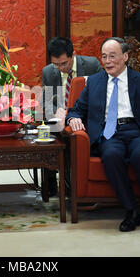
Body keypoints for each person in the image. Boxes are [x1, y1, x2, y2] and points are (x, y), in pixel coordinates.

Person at [66, 37, 140, 232]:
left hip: (137, 131)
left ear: (125, 57)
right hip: (109, 133)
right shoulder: (95, 82)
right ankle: (132, 211)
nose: (107, 61)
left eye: (112, 56)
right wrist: (72, 119)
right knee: (111, 155)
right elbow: (76, 109)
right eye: (104, 56)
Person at [42, 37, 102, 196]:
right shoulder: (48, 72)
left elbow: (101, 96)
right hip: (59, 119)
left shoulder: (91, 65)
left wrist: (73, 114)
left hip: (84, 117)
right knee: (46, 133)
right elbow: (46, 102)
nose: (60, 68)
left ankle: (71, 185)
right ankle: (51, 182)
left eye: (64, 63)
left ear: (73, 55)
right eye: (56, 64)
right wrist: (56, 111)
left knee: (75, 136)